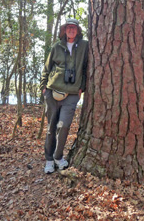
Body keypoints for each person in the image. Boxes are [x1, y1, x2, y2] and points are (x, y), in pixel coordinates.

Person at [40, 18, 88, 174]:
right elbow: (46, 68)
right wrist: (44, 88)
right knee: (51, 128)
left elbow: (88, 67)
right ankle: (48, 160)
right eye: (69, 28)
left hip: (72, 93)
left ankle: (58, 157)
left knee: (64, 126)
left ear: (78, 30)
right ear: (64, 30)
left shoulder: (84, 46)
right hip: (52, 92)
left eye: (74, 28)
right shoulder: (57, 47)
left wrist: (82, 87)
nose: (71, 30)